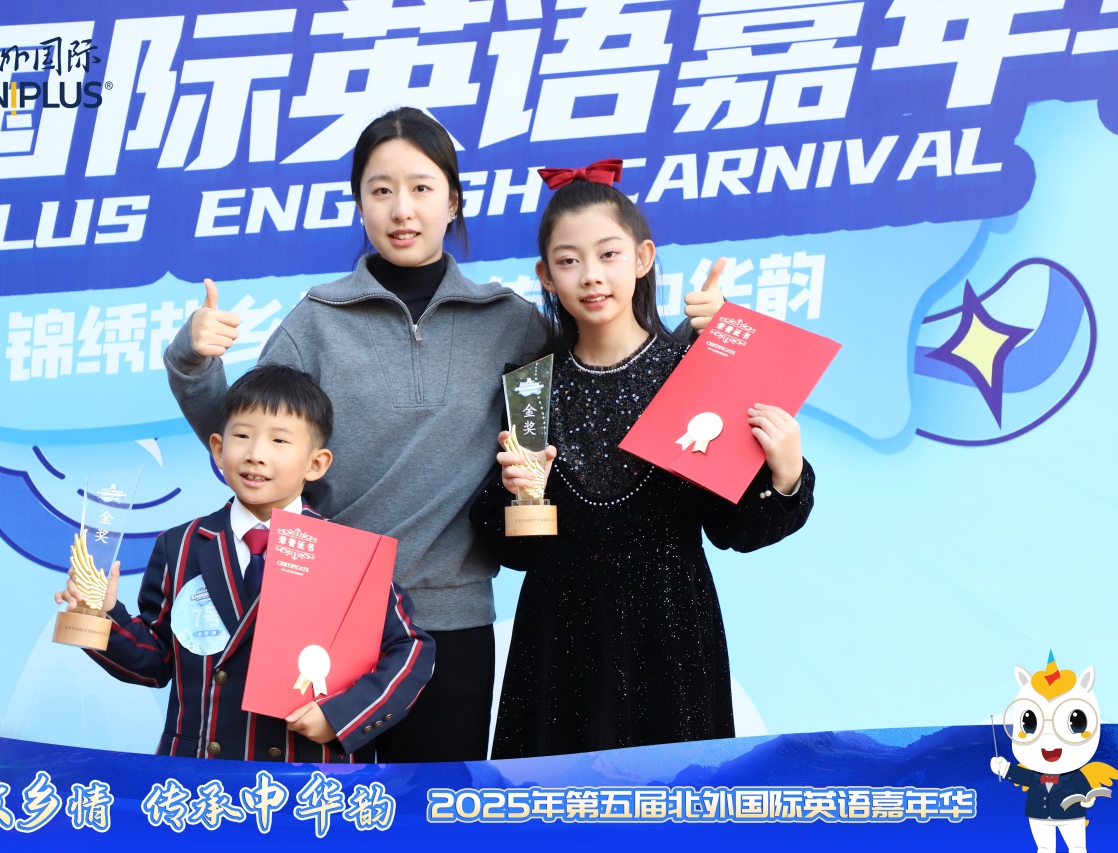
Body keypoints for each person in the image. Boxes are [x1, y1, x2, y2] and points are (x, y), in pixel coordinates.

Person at [165, 109, 725, 762]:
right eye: (381, 190)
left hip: (453, 618)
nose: (402, 209)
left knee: (438, 809)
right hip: (325, 611)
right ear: (359, 204)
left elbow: (603, 366)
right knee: (316, 809)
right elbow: (248, 449)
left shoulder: (508, 321)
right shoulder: (315, 321)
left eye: (422, 188)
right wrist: (194, 362)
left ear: (453, 200)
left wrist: (698, 345)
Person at [469, 162, 815, 759]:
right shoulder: (529, 388)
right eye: (569, 260)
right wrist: (522, 494)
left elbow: (733, 529)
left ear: (643, 258)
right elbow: (519, 554)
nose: (591, 275)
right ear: (545, 275)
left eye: (608, 254)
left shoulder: (694, 370)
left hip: (672, 638)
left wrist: (785, 472)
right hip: (557, 645)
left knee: (674, 802)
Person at [55, 365, 434, 762]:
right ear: (218, 449)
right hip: (199, 771)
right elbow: (155, 662)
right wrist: (99, 615)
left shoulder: (347, 554)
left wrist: (341, 717)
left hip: (303, 773)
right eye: (242, 436)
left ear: (316, 464)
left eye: (279, 441)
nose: (255, 454)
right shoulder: (180, 545)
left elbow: (410, 649)